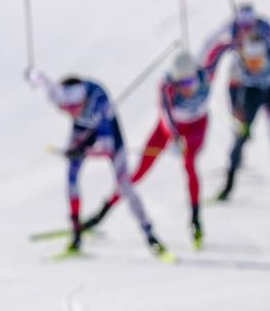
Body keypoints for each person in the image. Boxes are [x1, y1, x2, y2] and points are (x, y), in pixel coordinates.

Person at [27, 70, 172, 261]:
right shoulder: (58, 96)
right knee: (71, 178)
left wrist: (83, 151)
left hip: (108, 134)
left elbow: (107, 146)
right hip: (82, 131)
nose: (70, 112)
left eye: (74, 108)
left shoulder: (99, 103)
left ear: (83, 100)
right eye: (65, 109)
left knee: (125, 185)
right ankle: (76, 232)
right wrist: (32, 75)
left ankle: (149, 234)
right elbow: (43, 81)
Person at [80, 52, 214, 247]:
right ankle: (102, 212)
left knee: (190, 165)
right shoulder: (167, 87)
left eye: (191, 82)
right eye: (182, 84)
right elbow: (166, 116)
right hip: (169, 129)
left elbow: (218, 49)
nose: (187, 88)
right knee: (138, 172)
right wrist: (175, 136)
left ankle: (195, 220)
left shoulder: (206, 76)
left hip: (196, 129)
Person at [201, 2, 270, 201]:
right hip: (251, 91)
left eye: (257, 61)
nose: (254, 65)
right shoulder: (238, 61)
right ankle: (228, 185)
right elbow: (214, 52)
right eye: (250, 61)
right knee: (241, 135)